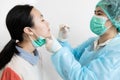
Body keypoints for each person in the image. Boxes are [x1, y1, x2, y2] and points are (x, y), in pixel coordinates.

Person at [45, 0, 120, 80]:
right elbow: (73, 58)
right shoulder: (92, 42)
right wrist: (63, 41)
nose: (94, 17)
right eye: (94, 13)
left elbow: (85, 78)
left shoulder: (117, 50)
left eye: (99, 14)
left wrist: (58, 51)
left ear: (116, 19)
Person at [0, 4, 50, 80]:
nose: (47, 23)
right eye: (42, 20)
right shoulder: (14, 69)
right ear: (29, 30)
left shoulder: (36, 55)